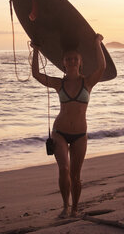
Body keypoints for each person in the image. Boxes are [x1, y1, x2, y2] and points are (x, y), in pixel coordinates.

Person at [31, 34, 106, 218]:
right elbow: (36, 75)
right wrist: (36, 51)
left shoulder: (87, 82)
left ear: (80, 62)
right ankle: (65, 207)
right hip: (60, 133)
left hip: (80, 134)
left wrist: (97, 43)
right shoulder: (59, 83)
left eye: (75, 59)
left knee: (75, 175)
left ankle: (75, 209)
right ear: (63, 63)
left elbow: (102, 67)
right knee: (63, 169)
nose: (72, 61)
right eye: (68, 59)